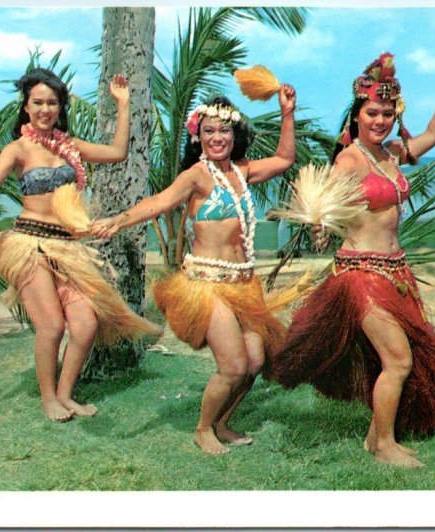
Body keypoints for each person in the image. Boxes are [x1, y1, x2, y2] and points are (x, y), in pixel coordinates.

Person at [0, 68, 161, 422]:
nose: (45, 109)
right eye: (38, 102)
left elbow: (118, 152)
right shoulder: (18, 149)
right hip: (29, 244)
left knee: (85, 325)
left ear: (61, 107)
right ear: (26, 107)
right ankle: (48, 398)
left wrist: (123, 104)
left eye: (52, 102)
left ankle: (66, 395)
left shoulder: (71, 147)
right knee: (52, 325)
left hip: (67, 248)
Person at [266, 53, 435, 468]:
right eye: (372, 112)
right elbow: (323, 208)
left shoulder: (391, 153)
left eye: (388, 114)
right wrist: (320, 224)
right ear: (356, 115)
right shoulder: (349, 160)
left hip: (396, 273)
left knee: (393, 359)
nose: (381, 121)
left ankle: (375, 436)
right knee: (398, 360)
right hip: (361, 276)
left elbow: (432, 133)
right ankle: (384, 445)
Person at [90, 86, 297, 454]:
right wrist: (118, 221)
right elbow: (159, 202)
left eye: (224, 131)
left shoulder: (243, 172)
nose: (217, 138)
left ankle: (222, 422)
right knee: (233, 366)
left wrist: (286, 113)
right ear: (198, 137)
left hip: (245, 283)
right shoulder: (196, 177)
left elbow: (283, 159)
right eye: (209, 132)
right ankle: (203, 429)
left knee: (254, 362)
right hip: (207, 285)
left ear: (235, 135)